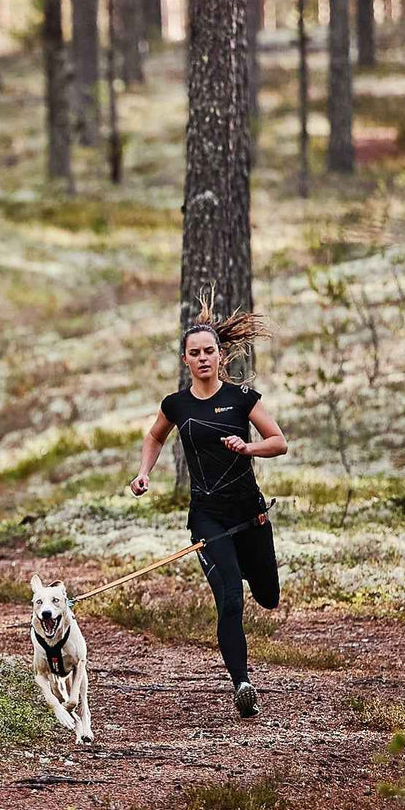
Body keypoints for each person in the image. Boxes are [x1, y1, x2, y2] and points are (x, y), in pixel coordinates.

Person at [129, 307, 288, 718]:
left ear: (220, 356)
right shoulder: (177, 405)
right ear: (185, 360)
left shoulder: (241, 399)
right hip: (207, 518)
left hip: (249, 514)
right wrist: (144, 473)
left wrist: (248, 447)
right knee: (230, 598)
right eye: (194, 353)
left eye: (208, 351)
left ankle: (247, 565)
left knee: (268, 597)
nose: (202, 358)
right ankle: (242, 684)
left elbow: (279, 442)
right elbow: (154, 436)